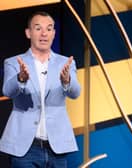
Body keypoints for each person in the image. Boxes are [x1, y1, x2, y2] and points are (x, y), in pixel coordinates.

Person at [0, 11, 81, 168]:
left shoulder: (66, 63)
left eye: (49, 28)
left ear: (54, 33)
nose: (44, 33)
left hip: (56, 147)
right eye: (38, 28)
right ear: (28, 33)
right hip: (25, 148)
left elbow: (76, 93)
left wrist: (67, 81)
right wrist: (20, 79)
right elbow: (7, 91)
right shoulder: (14, 62)